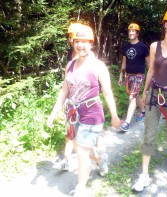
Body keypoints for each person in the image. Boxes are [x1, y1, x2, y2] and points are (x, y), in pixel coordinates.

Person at [47, 24, 121, 197]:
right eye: (77, 41)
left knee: (81, 153)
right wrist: (54, 112)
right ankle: (100, 160)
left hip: (92, 115)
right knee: (81, 148)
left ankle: (80, 187)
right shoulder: (70, 65)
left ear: (91, 43)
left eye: (84, 42)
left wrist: (115, 116)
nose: (80, 45)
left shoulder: (98, 66)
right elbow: (64, 91)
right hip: (73, 115)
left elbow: (108, 93)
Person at [132, 9, 167, 192]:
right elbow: (151, 71)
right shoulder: (154, 46)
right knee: (149, 133)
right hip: (154, 94)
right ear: (165, 25)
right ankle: (144, 175)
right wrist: (145, 90)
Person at [52, 22, 82, 171]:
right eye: (70, 37)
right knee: (70, 131)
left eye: (73, 36)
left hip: (84, 102)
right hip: (72, 101)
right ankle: (66, 159)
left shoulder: (86, 53)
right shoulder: (71, 54)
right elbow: (68, 82)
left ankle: (98, 156)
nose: (71, 40)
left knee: (84, 136)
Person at [118, 23, 150, 132]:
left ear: (137, 33)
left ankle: (127, 122)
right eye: (130, 31)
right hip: (129, 75)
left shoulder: (143, 47)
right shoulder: (126, 46)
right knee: (135, 96)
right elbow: (124, 63)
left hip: (139, 75)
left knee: (132, 96)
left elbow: (149, 64)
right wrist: (121, 76)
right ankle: (144, 111)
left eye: (133, 31)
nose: (131, 33)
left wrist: (151, 77)